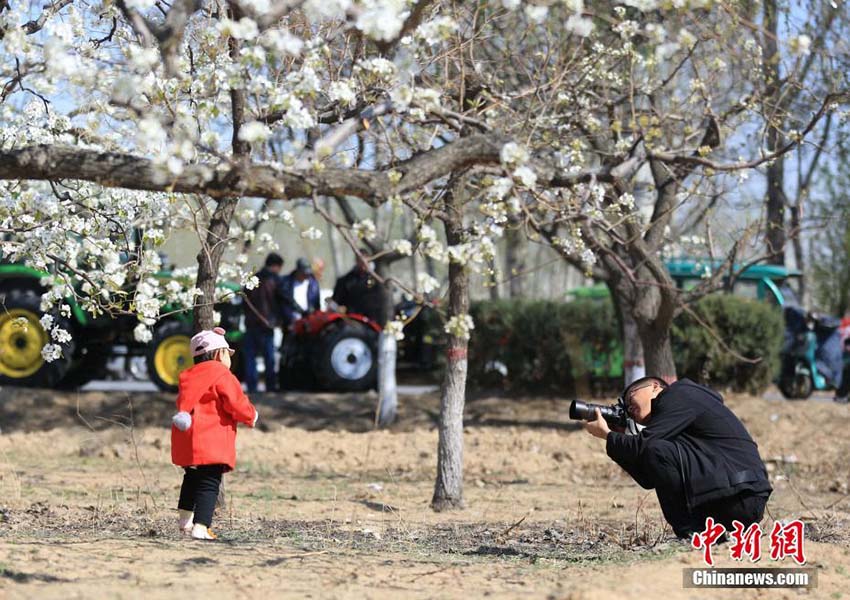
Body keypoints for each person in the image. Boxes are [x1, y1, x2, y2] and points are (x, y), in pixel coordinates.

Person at [583, 376, 772, 539]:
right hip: (736, 496)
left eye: (630, 397)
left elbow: (647, 447)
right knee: (655, 449)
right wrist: (618, 437)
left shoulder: (679, 393)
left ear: (655, 386)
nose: (628, 407)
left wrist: (608, 436)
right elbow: (648, 478)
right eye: (626, 408)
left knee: (655, 448)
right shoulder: (677, 417)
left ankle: (690, 530)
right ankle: (698, 532)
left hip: (741, 496)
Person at [171, 327, 258, 541]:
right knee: (210, 482)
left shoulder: (188, 377)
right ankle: (201, 527)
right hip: (211, 439)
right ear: (220, 354)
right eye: (228, 353)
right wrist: (251, 416)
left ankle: (185, 521)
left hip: (187, 438)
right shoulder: (222, 375)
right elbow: (235, 403)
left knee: (191, 477)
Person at [242, 252, 285, 393]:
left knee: (250, 358)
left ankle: (252, 387)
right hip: (266, 325)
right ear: (276, 266)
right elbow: (281, 301)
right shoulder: (273, 280)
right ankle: (270, 386)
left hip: (250, 324)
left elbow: (244, 300)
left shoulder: (252, 279)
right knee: (269, 358)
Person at [332, 252, 389, 326]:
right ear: (356, 261)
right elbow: (337, 300)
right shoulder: (347, 280)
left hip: (373, 321)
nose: (363, 264)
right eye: (360, 261)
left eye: (366, 261)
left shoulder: (377, 279)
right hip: (352, 321)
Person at [279, 257, 321, 327]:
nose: (306, 276)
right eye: (304, 273)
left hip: (310, 323)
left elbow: (317, 304)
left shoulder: (313, 283)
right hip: (291, 324)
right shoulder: (286, 283)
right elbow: (285, 302)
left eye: (308, 273)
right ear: (298, 271)